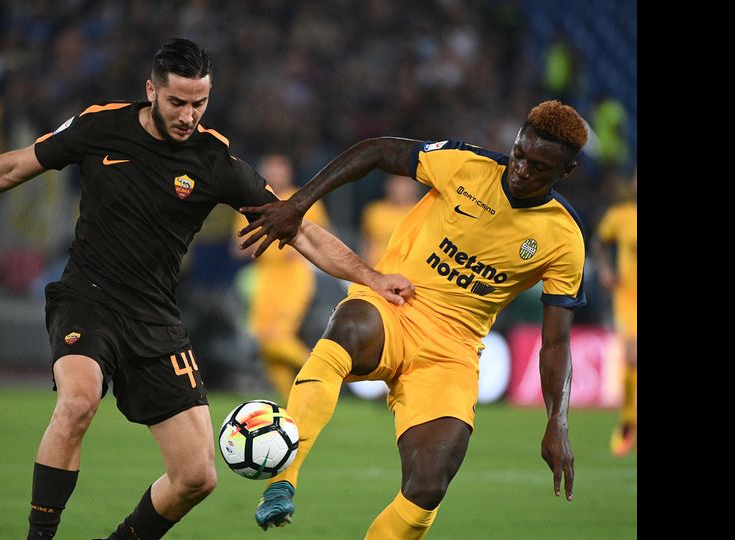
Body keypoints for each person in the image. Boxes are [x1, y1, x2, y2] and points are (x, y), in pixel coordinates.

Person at [0, 38, 412, 540]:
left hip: (156, 317)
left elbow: (297, 226)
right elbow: (12, 167)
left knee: (197, 478)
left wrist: (371, 277)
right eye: (178, 101)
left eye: (200, 103)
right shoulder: (101, 127)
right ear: (152, 90)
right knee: (77, 401)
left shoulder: (214, 161)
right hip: (87, 297)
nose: (189, 115)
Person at [239, 100, 588, 538]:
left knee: (429, 484)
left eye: (538, 167)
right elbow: (375, 150)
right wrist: (299, 203)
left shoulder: (563, 238)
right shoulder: (463, 165)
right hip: (394, 303)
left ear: (566, 172)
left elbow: (555, 342)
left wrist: (557, 422)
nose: (520, 170)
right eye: (519, 154)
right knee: (346, 331)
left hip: (452, 353)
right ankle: (281, 481)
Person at [234, 153, 330, 398]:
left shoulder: (305, 200)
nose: (275, 174)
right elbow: (237, 247)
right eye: (270, 169)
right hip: (264, 277)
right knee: (265, 343)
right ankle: (292, 404)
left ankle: (326, 372)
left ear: (289, 171)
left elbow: (321, 239)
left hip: (293, 276)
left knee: (279, 337)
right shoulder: (250, 204)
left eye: (280, 168)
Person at [591, 171, 637, 457]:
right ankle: (628, 422)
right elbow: (598, 242)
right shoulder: (621, 215)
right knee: (632, 356)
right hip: (629, 298)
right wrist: (606, 271)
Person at [361, 173, 427, 266]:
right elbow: (366, 243)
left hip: (407, 272)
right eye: (396, 184)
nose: (400, 189)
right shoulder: (374, 211)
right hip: (377, 269)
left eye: (405, 184)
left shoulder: (422, 211)